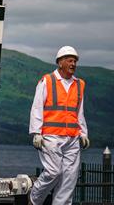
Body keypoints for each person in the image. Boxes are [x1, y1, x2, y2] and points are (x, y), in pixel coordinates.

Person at [29, 45, 90, 205]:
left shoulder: (79, 84)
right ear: (60, 62)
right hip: (51, 136)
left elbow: (79, 111)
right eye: (70, 60)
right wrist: (36, 132)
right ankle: (34, 199)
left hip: (72, 138)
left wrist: (83, 133)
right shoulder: (47, 81)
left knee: (70, 177)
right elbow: (37, 107)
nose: (73, 64)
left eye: (75, 61)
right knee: (53, 171)